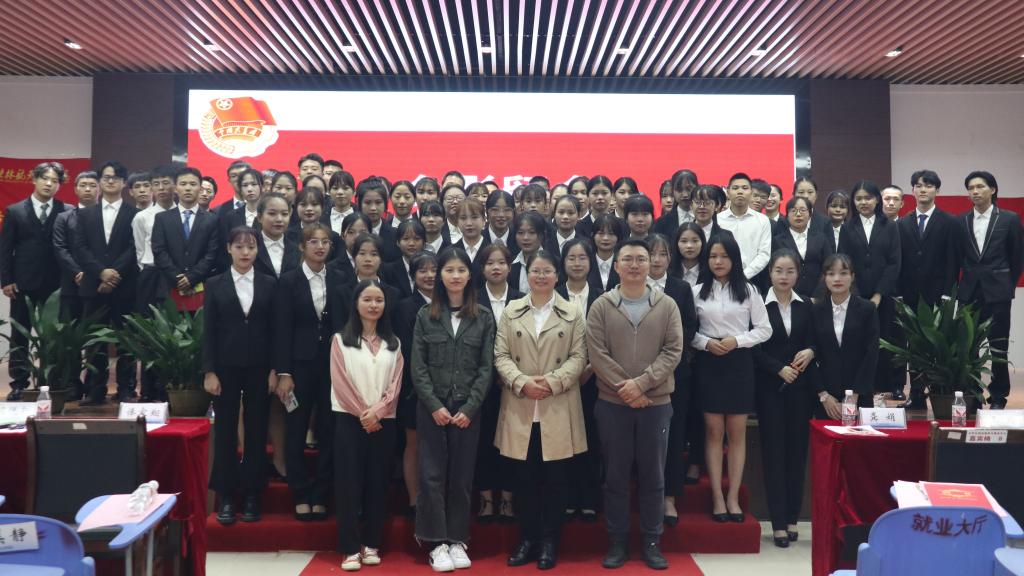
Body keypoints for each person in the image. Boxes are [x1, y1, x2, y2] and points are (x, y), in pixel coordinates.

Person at [587, 239, 684, 570]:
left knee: (654, 476)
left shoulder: (667, 305)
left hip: (655, 404)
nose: (634, 265)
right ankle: (617, 541)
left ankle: (652, 541)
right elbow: (597, 353)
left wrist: (641, 385)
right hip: (612, 404)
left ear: (651, 264)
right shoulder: (601, 305)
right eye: (627, 259)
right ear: (616, 266)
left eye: (641, 259)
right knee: (614, 476)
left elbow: (673, 351)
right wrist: (627, 389)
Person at [494, 250, 588, 570]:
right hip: (521, 404)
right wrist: (522, 382)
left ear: (557, 276)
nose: (542, 276)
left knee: (556, 480)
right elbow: (500, 355)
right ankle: (527, 539)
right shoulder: (511, 311)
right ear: (527, 275)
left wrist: (551, 382)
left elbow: (579, 356)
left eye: (548, 271)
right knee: (525, 479)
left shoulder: (572, 312)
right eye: (536, 270)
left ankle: (549, 541)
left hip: (556, 403)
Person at [411, 247, 495, 571]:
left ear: (470, 275)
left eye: (461, 270)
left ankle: (458, 539)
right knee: (431, 476)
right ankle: (436, 542)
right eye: (449, 270)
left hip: (466, 410)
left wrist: (471, 407)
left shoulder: (483, 317)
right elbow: (418, 367)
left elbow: (486, 368)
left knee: (461, 477)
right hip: (432, 408)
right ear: (440, 276)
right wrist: (433, 405)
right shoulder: (426, 315)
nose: (455, 276)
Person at [692, 234, 772, 526]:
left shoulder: (749, 290)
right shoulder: (696, 291)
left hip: (739, 363)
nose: (718, 261)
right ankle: (716, 496)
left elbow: (765, 329)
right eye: (713, 256)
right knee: (714, 431)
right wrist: (705, 343)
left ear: (734, 259)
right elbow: (686, 331)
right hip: (708, 362)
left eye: (724, 256)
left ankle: (733, 496)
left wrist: (737, 341)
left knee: (737, 432)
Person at [204, 225, 277, 525]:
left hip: (261, 367)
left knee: (257, 431)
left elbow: (276, 330)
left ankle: (252, 494)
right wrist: (209, 371)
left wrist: (275, 369)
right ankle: (226, 495)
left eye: (251, 247)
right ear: (228, 249)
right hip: (225, 367)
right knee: (225, 431)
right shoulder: (214, 284)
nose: (245, 252)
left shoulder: (270, 283)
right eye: (239, 247)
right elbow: (208, 331)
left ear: (258, 250)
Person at [274, 224, 347, 522]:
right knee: (296, 429)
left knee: (330, 429)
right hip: (298, 366)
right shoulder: (288, 281)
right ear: (302, 247)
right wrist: (283, 372)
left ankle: (321, 493)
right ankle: (300, 492)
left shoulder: (340, 278)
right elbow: (281, 329)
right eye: (313, 242)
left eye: (325, 242)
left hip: (332, 366)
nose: (320, 246)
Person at [330, 279, 403, 571]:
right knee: (348, 486)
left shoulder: (393, 344)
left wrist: (379, 411)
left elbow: (395, 385)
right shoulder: (340, 340)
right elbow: (340, 382)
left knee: (378, 484)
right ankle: (350, 548)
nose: (373, 305)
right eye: (367, 300)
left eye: (379, 300)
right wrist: (365, 413)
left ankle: (371, 543)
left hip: (384, 423)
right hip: (349, 421)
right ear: (356, 303)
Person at [753, 250, 817, 548]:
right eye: (779, 270)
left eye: (790, 271)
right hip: (770, 389)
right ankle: (777, 522)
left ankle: (792, 518)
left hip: (801, 391)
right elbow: (753, 348)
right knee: (774, 455)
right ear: (770, 273)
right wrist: (778, 369)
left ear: (798, 274)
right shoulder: (759, 304)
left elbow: (817, 340)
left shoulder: (808, 306)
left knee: (796, 454)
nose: (784, 276)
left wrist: (811, 351)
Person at [74, 161, 139, 404]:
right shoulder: (85, 214)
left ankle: (126, 389)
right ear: (100, 182)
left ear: (124, 183)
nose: (110, 181)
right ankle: (95, 389)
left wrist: (114, 274)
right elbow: (80, 248)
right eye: (106, 177)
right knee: (94, 341)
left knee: (126, 340)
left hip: (125, 286)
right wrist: (101, 273)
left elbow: (134, 248)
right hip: (94, 285)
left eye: (116, 178)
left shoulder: (135, 214)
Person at [1, 162, 68, 400]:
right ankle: (19, 383)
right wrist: (6, 280)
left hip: (56, 284)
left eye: (55, 181)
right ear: (34, 179)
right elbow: (5, 249)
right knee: (20, 333)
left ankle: (52, 381)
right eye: (45, 179)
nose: (49, 184)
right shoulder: (15, 211)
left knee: (54, 334)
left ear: (60, 185)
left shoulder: (66, 210)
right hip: (23, 282)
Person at [957, 171, 1022, 409]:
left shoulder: (1009, 219)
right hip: (969, 292)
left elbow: (1017, 257)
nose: (975, 191)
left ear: (992, 189)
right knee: (968, 347)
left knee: (998, 347)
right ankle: (972, 394)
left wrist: (1006, 284)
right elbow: (957, 257)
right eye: (971, 188)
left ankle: (998, 396)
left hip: (998, 293)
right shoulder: (960, 221)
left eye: (980, 186)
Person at [646, 233, 698, 526]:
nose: (656, 260)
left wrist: (665, 355)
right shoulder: (631, 285)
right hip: (638, 373)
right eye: (651, 254)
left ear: (670, 258)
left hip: (675, 373)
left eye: (662, 254)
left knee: (674, 435)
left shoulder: (681, 288)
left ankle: (669, 498)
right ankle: (646, 496)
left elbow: (689, 327)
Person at [896, 170, 959, 407]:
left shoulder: (950, 222)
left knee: (936, 344)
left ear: (937, 190)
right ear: (912, 190)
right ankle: (916, 395)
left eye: (929, 185)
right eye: (918, 185)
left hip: (937, 295)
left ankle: (939, 393)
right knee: (913, 346)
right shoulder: (902, 224)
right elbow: (899, 262)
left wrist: (948, 294)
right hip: (909, 294)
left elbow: (952, 261)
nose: (923, 189)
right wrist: (899, 293)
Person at [838, 180, 900, 395]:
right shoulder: (847, 228)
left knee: (884, 340)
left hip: (883, 296)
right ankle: (858, 385)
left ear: (877, 200)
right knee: (857, 341)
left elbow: (894, 263)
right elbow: (844, 262)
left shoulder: (890, 226)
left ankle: (886, 386)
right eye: (858, 198)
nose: (863, 202)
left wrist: (879, 294)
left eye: (868, 198)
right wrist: (854, 293)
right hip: (855, 296)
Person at [557, 238, 602, 522]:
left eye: (582, 258)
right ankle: (566, 498)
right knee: (563, 440)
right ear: (563, 263)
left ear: (590, 262)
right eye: (571, 258)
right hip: (560, 380)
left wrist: (591, 367)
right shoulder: (553, 295)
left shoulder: (602, 295)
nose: (576, 263)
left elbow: (607, 338)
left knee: (591, 439)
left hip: (594, 380)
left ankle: (588, 498)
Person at [475, 243, 522, 525]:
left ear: (509, 267)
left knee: (509, 444)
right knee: (483, 443)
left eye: (501, 262)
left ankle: (507, 499)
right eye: (490, 263)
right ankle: (486, 499)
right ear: (482, 268)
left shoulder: (521, 299)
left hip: (512, 384)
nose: (496, 267)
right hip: (480, 385)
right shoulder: (471, 298)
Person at [393, 252, 439, 519]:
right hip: (414, 386)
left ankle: (437, 499)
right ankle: (414, 500)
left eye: (434, 269)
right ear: (413, 276)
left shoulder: (451, 303)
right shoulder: (404, 307)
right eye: (423, 270)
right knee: (414, 443)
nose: (429, 275)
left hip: (447, 386)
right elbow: (407, 349)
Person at [813, 253, 879, 416]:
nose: (837, 279)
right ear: (824, 277)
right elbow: (811, 353)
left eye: (843, 273)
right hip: (827, 398)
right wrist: (823, 394)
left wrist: (854, 395)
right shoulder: (816, 310)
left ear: (852, 276)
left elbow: (871, 354)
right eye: (831, 273)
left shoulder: (867, 309)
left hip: (860, 394)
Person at [669, 222, 707, 486]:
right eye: (684, 241)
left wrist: (696, 343)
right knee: (676, 410)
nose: (689, 246)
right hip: (675, 354)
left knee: (698, 408)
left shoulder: (710, 272)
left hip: (704, 350)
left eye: (695, 240)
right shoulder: (670, 273)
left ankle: (695, 461)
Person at [151, 167, 220, 308]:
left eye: (193, 184)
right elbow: (159, 251)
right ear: (175, 188)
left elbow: (212, 254)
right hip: (169, 287)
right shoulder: (162, 218)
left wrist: (192, 277)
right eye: (183, 184)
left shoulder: (212, 220)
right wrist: (178, 278)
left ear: (200, 188)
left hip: (201, 287)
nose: (188, 188)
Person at [53, 171, 98, 335]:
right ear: (75, 189)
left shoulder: (108, 217)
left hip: (99, 282)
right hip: (71, 284)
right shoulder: (63, 218)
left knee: (97, 335)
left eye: (92, 185)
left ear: (100, 189)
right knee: (69, 334)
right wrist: (77, 272)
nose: (88, 189)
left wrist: (96, 272)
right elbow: (60, 248)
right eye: (83, 185)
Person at [716, 173, 772, 284]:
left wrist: (744, 275)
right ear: (728, 192)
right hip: (721, 279)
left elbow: (764, 254)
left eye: (745, 188)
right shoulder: (717, 220)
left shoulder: (763, 220)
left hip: (753, 280)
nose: (740, 191)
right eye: (735, 188)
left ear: (751, 192)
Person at [772, 196, 830, 299]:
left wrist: (819, 293)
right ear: (787, 215)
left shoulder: (821, 238)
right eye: (793, 211)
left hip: (817, 295)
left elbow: (828, 266)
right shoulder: (777, 241)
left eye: (803, 210)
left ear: (810, 214)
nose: (798, 214)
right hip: (787, 295)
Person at [382, 219, 427, 299]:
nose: (411, 244)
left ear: (424, 243)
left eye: (417, 239)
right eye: (406, 239)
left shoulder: (431, 270)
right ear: (398, 242)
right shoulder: (387, 271)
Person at [509, 211, 548, 295]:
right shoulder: (510, 264)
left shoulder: (553, 262)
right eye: (520, 233)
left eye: (531, 232)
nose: (525, 238)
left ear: (542, 235)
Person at [654, 169, 698, 236]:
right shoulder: (661, 223)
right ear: (673, 191)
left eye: (689, 189)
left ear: (697, 188)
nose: (685, 194)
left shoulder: (709, 218)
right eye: (679, 189)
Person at [589, 214, 624, 292]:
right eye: (601, 233)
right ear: (593, 235)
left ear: (618, 237)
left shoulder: (623, 263)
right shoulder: (587, 262)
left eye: (611, 234)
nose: (605, 238)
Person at [452, 198, 490, 271]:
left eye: (474, 217)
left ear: (484, 220)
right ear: (457, 221)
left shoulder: (493, 252)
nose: (469, 223)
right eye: (463, 218)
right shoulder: (450, 252)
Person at [484, 189, 517, 254]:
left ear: (513, 212)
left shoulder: (519, 239)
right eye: (495, 210)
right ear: (487, 211)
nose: (501, 215)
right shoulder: (478, 238)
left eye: (507, 210)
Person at [327, 171, 356, 235]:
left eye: (345, 188)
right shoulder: (321, 217)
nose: (340, 192)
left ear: (354, 192)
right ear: (329, 192)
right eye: (335, 188)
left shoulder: (361, 215)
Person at [824, 189, 849, 254]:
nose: (838, 210)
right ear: (826, 207)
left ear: (848, 210)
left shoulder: (852, 230)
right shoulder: (820, 229)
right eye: (834, 206)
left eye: (842, 207)